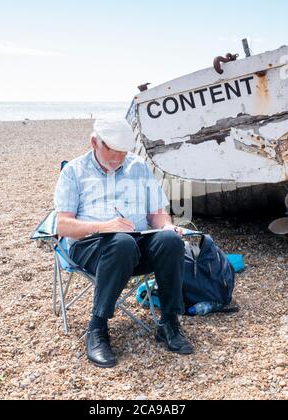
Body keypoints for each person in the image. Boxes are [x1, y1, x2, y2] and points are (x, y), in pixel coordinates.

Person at [54, 118, 193, 368]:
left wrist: (168, 225)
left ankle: (169, 322)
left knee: (170, 240)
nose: (119, 158)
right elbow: (63, 226)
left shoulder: (138, 167)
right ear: (94, 142)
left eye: (123, 152)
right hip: (91, 245)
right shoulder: (74, 171)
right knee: (121, 242)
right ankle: (97, 327)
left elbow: (156, 214)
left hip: (135, 243)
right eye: (112, 150)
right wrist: (104, 226)